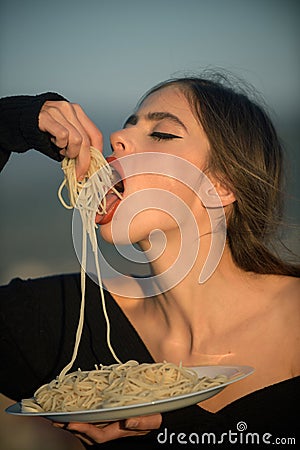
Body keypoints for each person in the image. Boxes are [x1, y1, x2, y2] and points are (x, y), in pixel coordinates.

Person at [0, 74, 299, 449]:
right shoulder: (72, 319)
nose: (115, 139)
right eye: (127, 126)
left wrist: (175, 430)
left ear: (221, 185)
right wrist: (11, 124)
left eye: (161, 134)